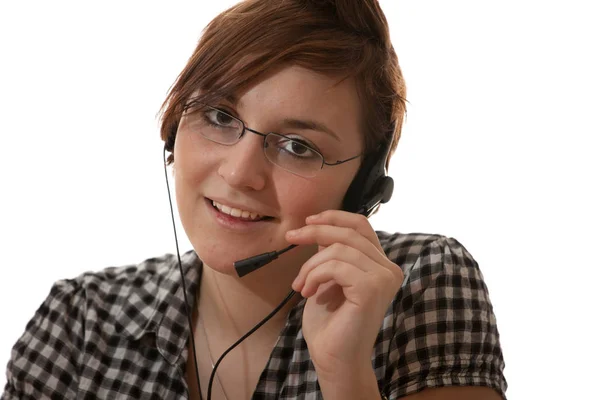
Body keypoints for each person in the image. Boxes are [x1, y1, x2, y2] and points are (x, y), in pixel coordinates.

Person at [2, 0, 507, 399]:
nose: (241, 173)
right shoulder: (79, 320)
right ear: (173, 127)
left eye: (298, 147)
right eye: (219, 116)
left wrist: (346, 375)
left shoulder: (426, 283)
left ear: (364, 189)